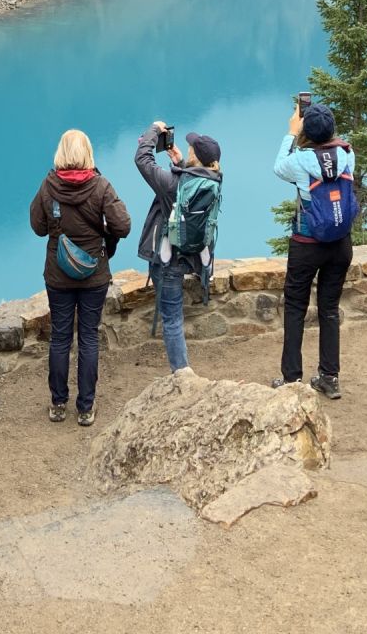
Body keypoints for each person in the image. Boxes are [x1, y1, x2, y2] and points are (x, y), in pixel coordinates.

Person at [29, 128, 131, 426]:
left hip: (58, 274)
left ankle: (58, 404)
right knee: (88, 337)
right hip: (93, 274)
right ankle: (85, 408)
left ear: (61, 153)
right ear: (87, 152)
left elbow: (37, 227)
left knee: (60, 338)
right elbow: (122, 226)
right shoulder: (101, 186)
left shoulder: (48, 187)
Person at [271, 100, 357, 399]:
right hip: (340, 244)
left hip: (307, 244)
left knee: (295, 308)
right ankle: (329, 377)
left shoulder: (299, 162)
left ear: (306, 128)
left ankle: (292, 378)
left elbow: (278, 166)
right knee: (329, 309)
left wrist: (291, 133)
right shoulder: (348, 154)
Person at [134, 121, 223, 373]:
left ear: (196, 156)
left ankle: (182, 373)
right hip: (193, 257)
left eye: (191, 148)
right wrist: (182, 163)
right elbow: (193, 181)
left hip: (167, 260)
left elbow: (142, 160)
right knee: (176, 318)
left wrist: (152, 130)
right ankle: (182, 370)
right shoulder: (215, 178)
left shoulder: (173, 184)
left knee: (172, 320)